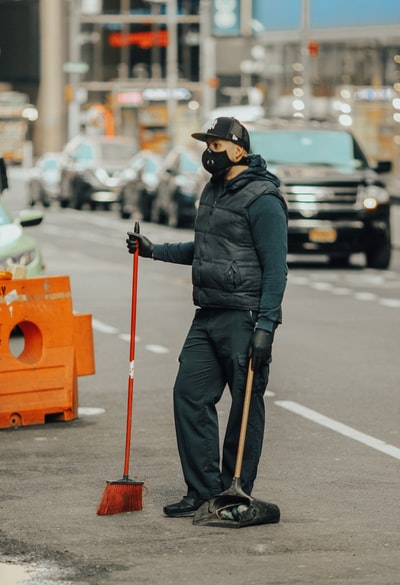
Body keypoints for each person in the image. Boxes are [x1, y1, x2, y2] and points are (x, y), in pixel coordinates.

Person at [126, 117, 288, 518]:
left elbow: (276, 269)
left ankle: (235, 494)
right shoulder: (212, 191)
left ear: (237, 150)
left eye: (215, 145)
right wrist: (153, 251)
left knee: (245, 405)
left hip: (245, 315)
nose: (209, 152)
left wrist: (266, 327)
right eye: (206, 144)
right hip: (209, 313)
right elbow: (203, 249)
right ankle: (202, 491)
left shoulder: (263, 198)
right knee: (189, 394)